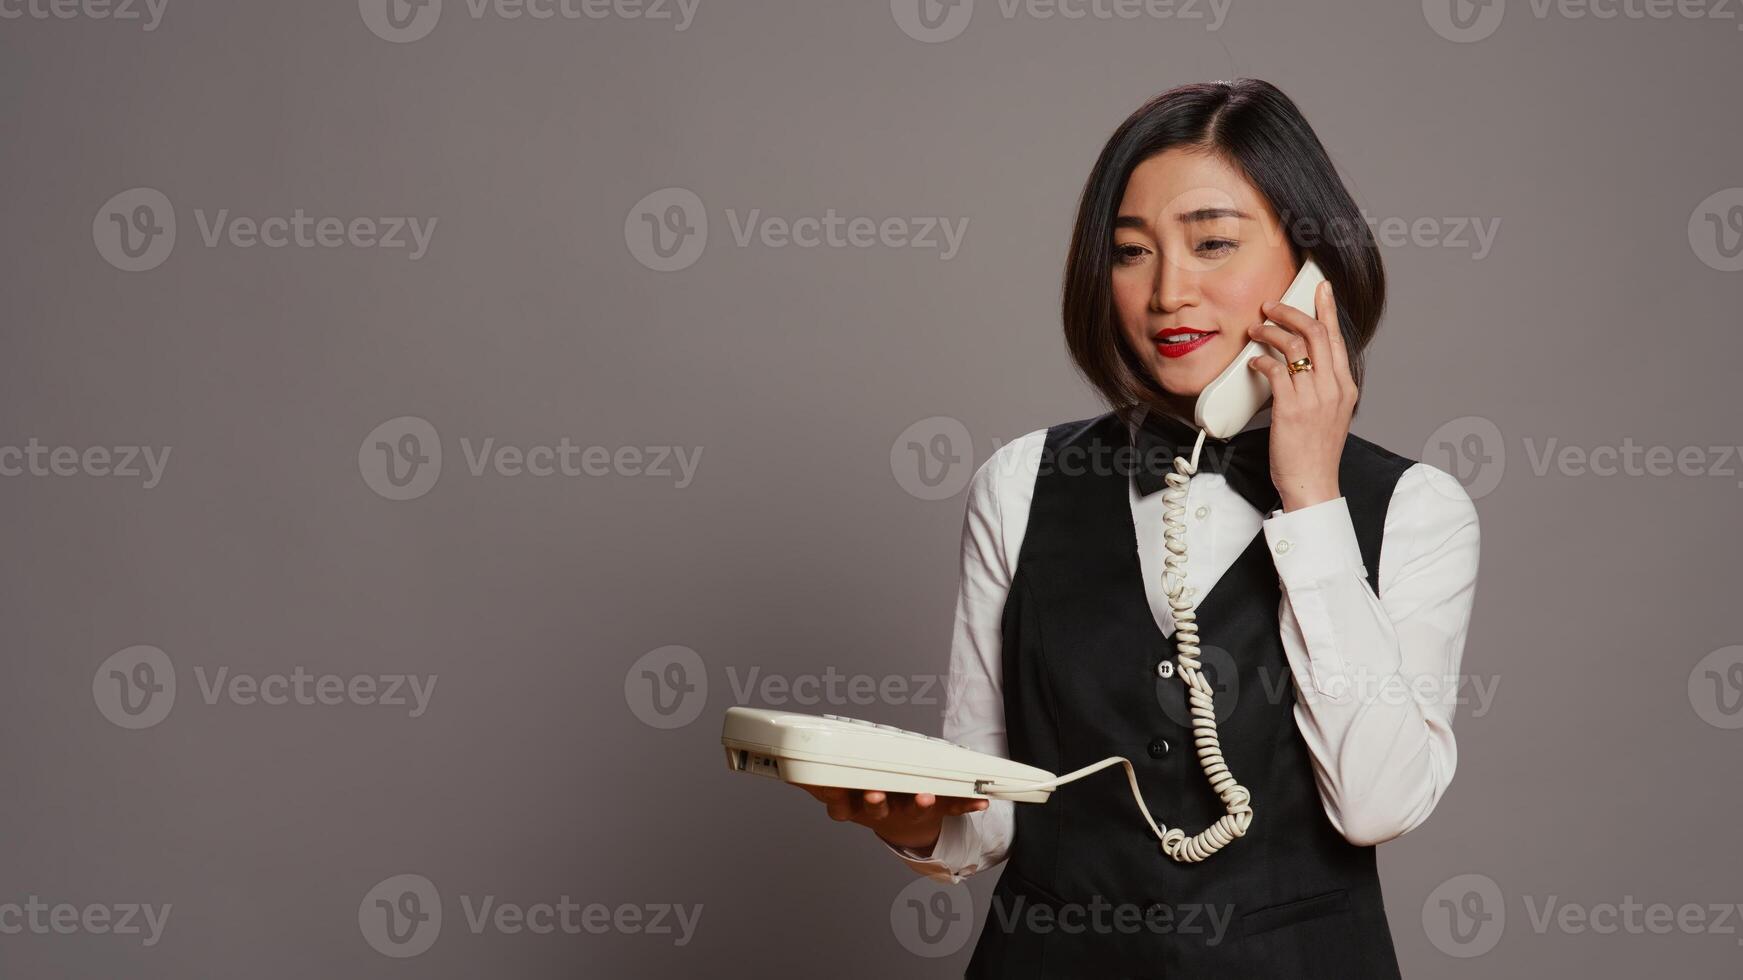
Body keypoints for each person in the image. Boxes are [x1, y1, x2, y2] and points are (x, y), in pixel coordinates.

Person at [795, 78, 1480, 978]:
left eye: (1212, 243)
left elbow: (1373, 804)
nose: (1166, 292)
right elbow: (990, 809)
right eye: (1129, 252)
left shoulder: (1416, 511)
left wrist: (1311, 497)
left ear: (1310, 267)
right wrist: (912, 818)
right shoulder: (1018, 484)